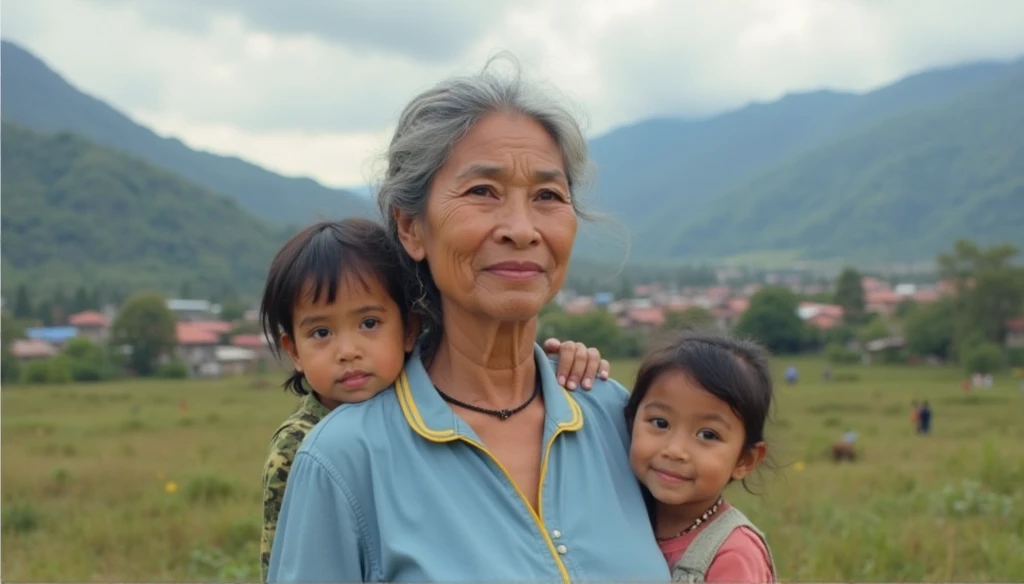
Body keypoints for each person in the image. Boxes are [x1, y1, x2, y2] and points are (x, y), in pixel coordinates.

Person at [267, 57, 670, 583]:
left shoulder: (619, 418)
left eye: (548, 196)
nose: (522, 229)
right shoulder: (343, 459)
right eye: (483, 191)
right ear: (411, 228)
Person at [258, 218, 612, 581]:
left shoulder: (439, 402)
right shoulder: (300, 447)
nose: (348, 351)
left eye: (368, 324)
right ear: (294, 351)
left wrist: (568, 359)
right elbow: (288, 563)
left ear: (410, 328)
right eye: (321, 332)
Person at [626, 331, 776, 583]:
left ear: (745, 460)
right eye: (660, 422)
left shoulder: (733, 554)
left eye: (708, 434)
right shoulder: (617, 508)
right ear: (630, 422)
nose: (675, 450)